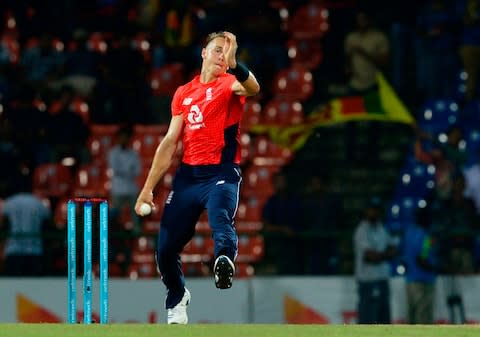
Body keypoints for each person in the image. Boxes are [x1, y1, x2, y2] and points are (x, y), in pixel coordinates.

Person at [134, 31, 260, 324]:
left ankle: (223, 261)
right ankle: (177, 298)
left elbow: (253, 87)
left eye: (226, 53)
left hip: (222, 172)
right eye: (217, 50)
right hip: (188, 177)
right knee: (165, 249)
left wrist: (235, 62)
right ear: (203, 53)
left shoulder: (230, 84)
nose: (221, 57)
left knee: (220, 218)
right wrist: (147, 189)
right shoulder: (183, 93)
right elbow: (169, 143)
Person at [353, 196, 397, 324]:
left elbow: (394, 249)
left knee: (384, 323)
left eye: (376, 209)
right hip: (368, 282)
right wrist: (385, 255)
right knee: (368, 322)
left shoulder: (381, 228)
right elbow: (370, 257)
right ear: (366, 210)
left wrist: (380, 256)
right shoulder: (362, 230)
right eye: (371, 209)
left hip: (382, 280)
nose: (374, 212)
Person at [0, 174, 52, 276]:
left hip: (13, 250)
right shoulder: (39, 203)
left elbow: (2, 222)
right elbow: (48, 218)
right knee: (34, 288)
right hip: (34, 250)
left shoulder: (9, 203)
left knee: (13, 288)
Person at [402, 205, 439, 324]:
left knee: (412, 316)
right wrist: (437, 268)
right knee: (423, 317)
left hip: (411, 280)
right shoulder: (425, 235)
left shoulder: (409, 232)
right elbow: (421, 259)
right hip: (423, 281)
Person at [108, 125, 142, 234]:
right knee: (115, 216)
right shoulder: (113, 153)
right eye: (121, 137)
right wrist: (128, 170)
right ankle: (114, 235)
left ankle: (137, 236)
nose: (124, 139)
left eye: (126, 137)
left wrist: (124, 171)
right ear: (118, 138)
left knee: (136, 216)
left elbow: (137, 171)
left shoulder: (134, 154)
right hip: (118, 190)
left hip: (132, 190)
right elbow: (115, 170)